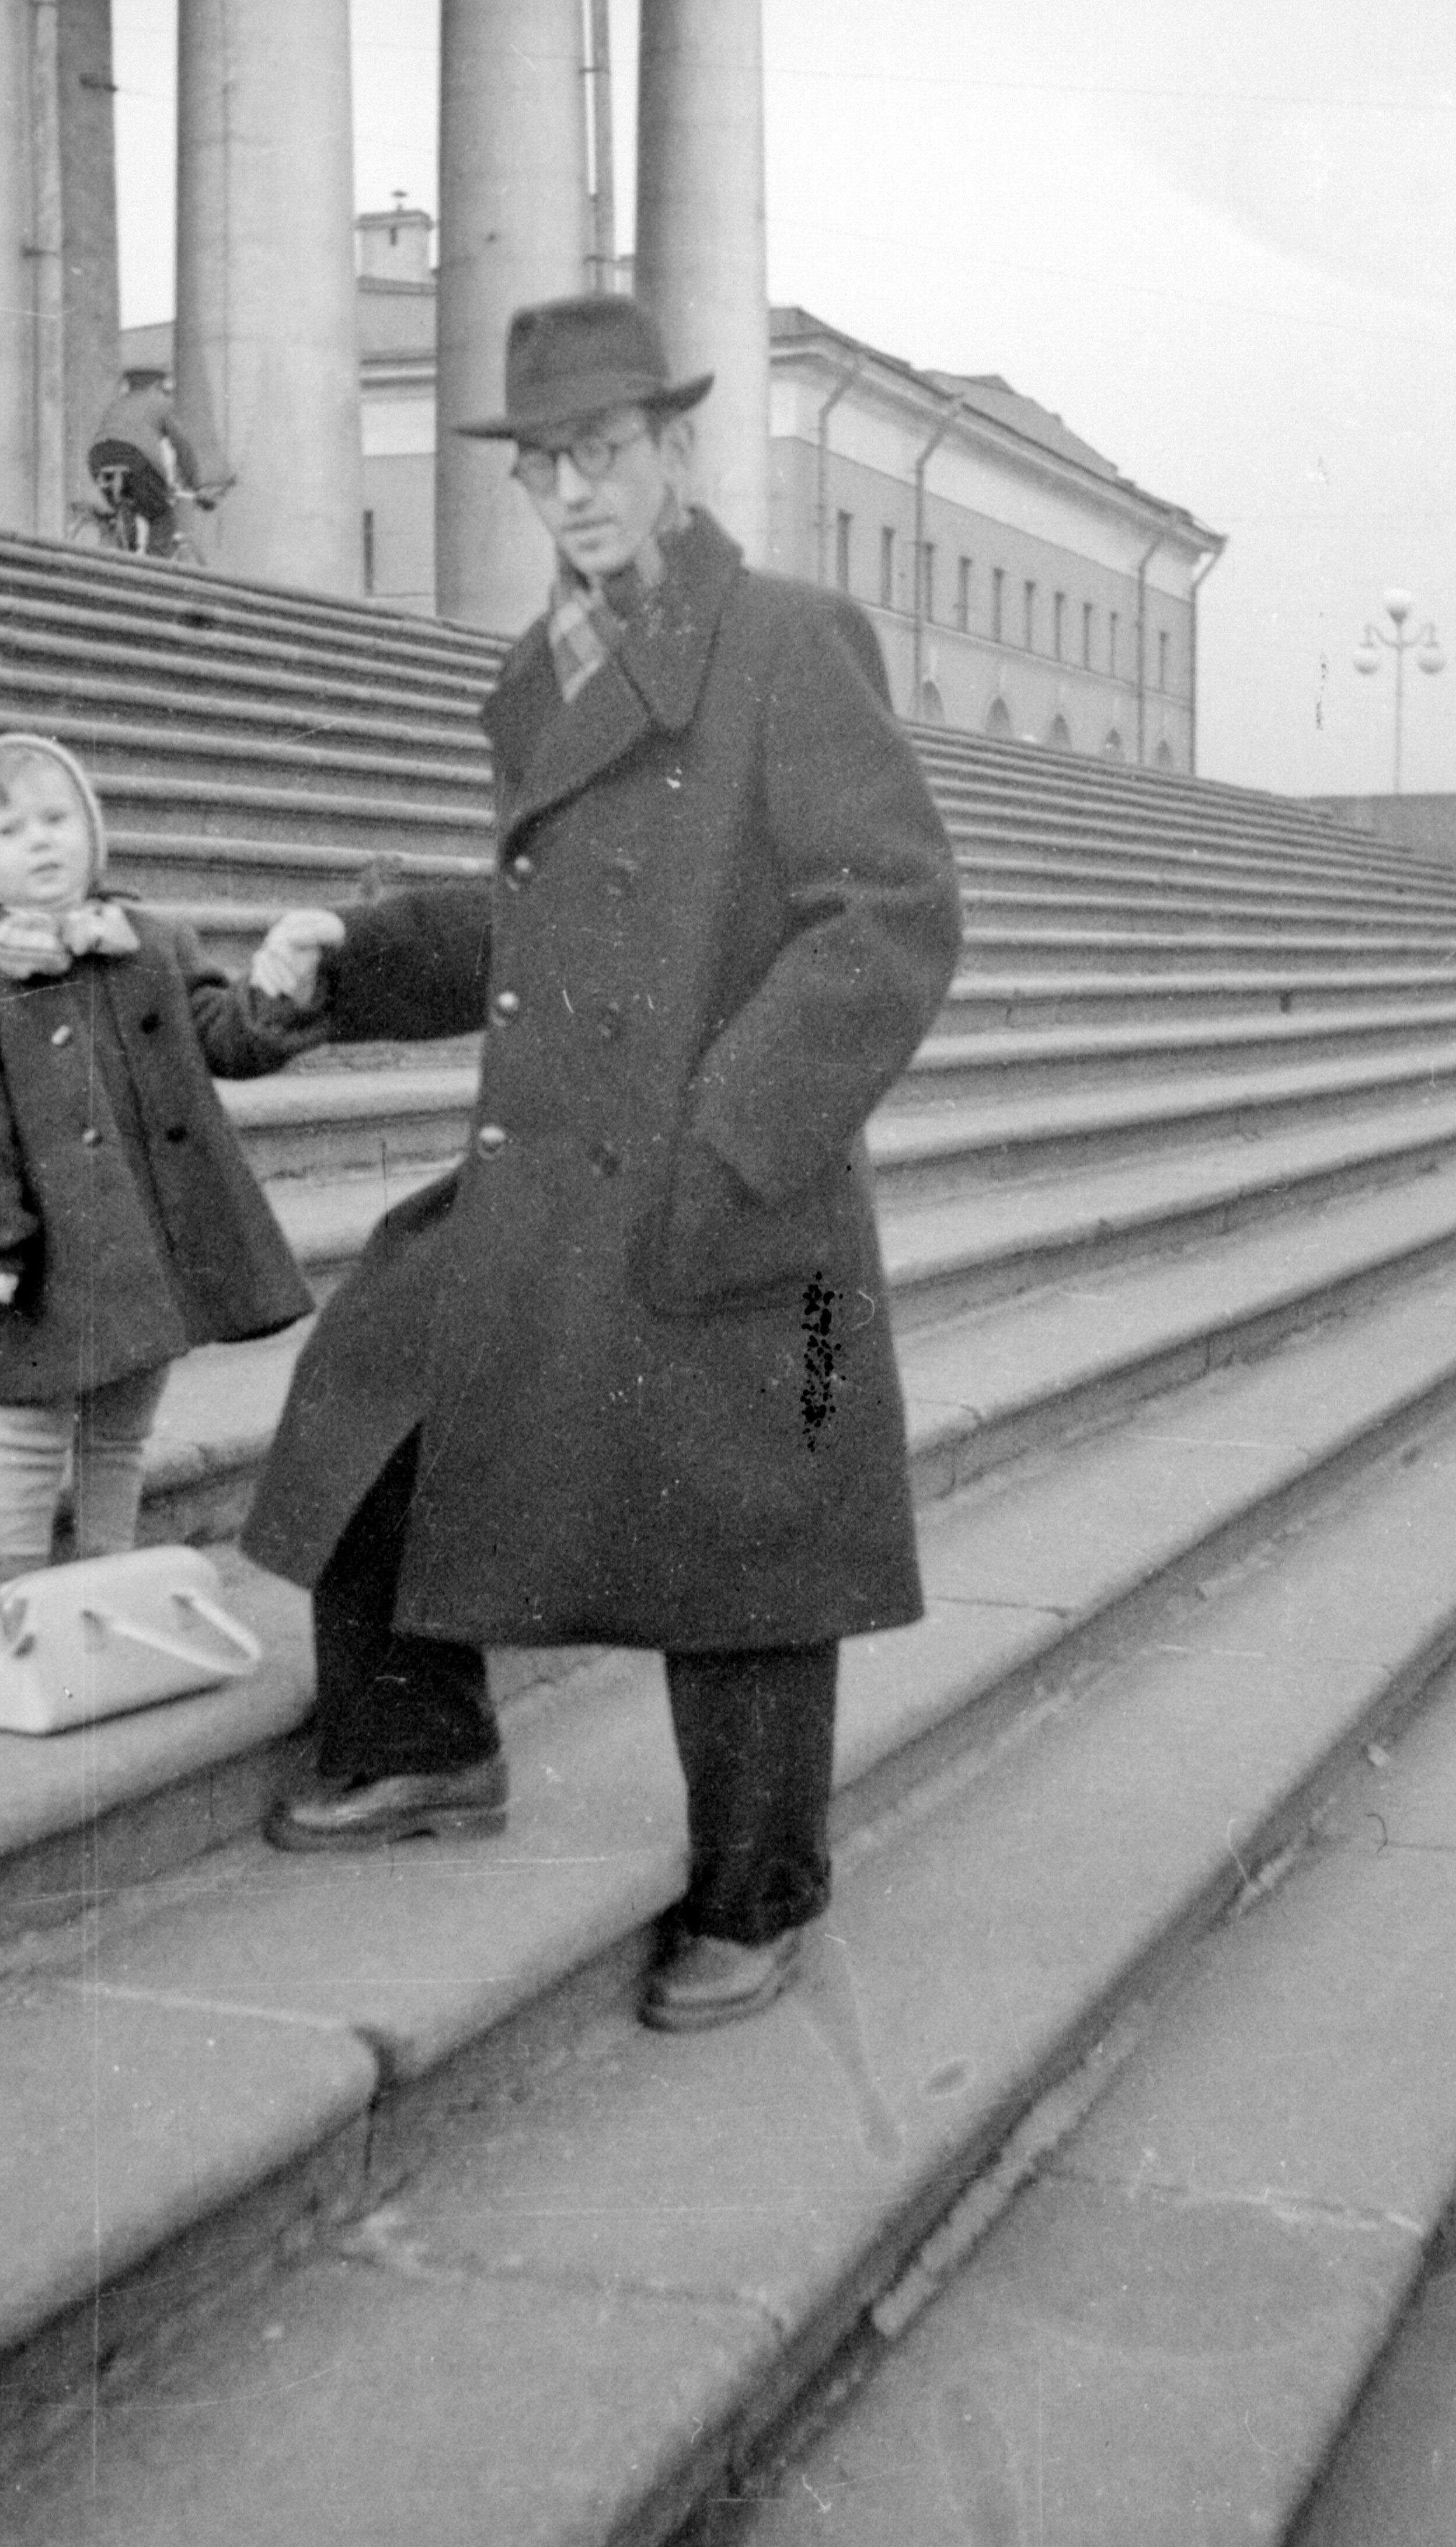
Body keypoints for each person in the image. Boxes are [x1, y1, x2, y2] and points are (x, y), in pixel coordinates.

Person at [242, 294, 962, 2033]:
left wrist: (732, 1139)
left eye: (604, 450)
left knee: (751, 1526)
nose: (573, 488)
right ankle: (423, 1742)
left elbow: (890, 914)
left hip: (740, 1182)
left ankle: (756, 1894)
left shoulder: (783, 639)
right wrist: (358, 956)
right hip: (567, 1164)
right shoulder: (541, 670)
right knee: (377, 1369)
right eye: (544, 462)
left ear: (673, 451)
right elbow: (550, 927)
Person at [0, 732, 319, 1585]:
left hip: (148, 1236)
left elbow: (227, 1036)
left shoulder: (154, 943)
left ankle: (106, 1579)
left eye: (56, 818)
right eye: (8, 830)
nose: (39, 841)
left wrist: (278, 994)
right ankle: (19, 1597)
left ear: (93, 832)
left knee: (121, 1425)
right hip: (47, 1251)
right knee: (33, 1425)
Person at [87, 370, 209, 558]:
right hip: (134, 458)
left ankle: (121, 552)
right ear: (156, 385)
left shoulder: (118, 404)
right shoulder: (160, 402)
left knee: (125, 507)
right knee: (162, 517)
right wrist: (197, 486)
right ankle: (153, 570)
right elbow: (182, 446)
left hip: (99, 457)